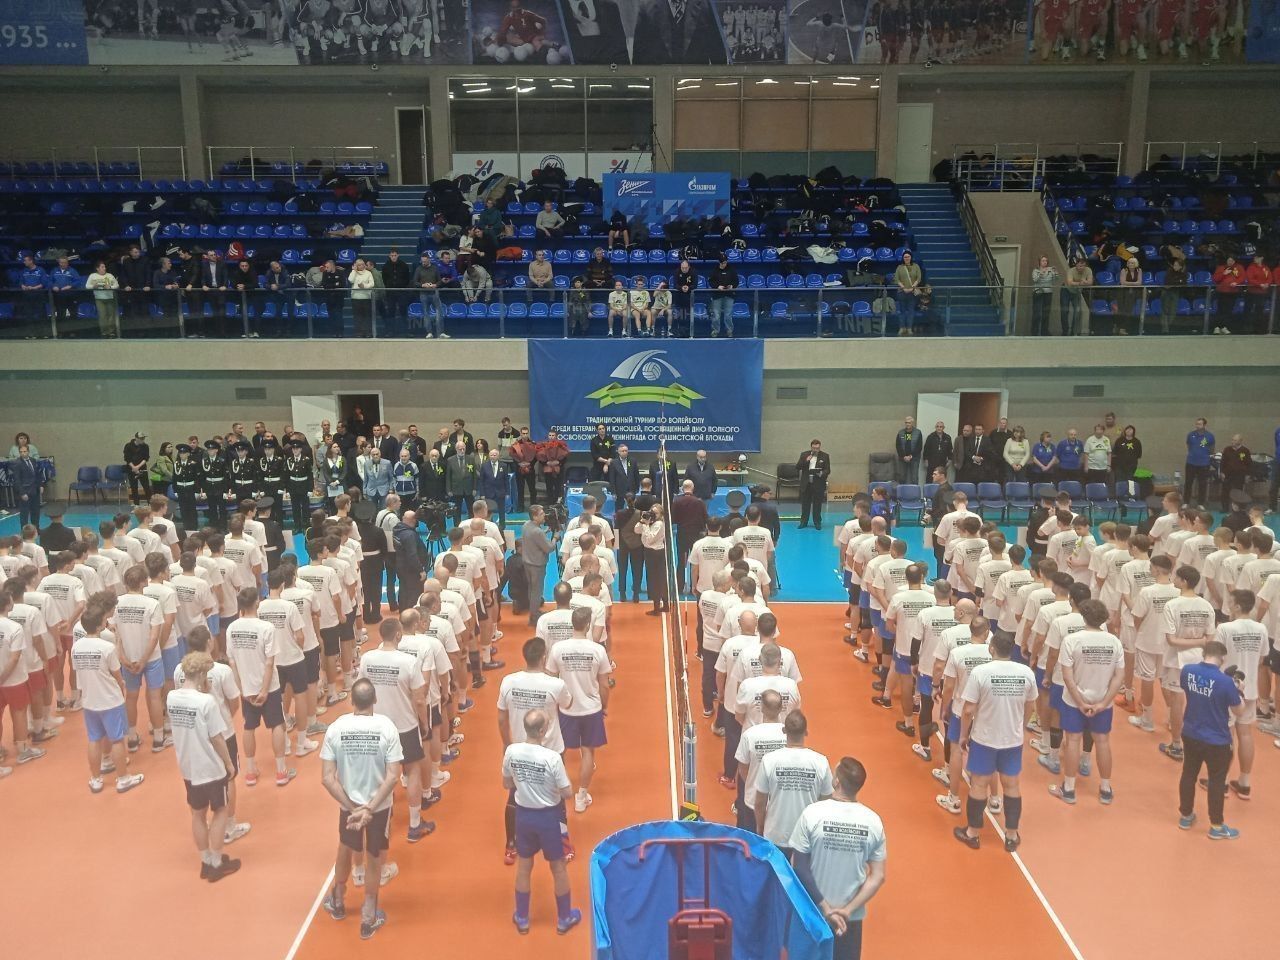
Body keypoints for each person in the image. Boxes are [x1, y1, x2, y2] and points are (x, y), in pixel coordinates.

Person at [321, 678, 404, 940]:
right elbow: (393, 776)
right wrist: (369, 808)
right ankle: (369, 916)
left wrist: (352, 807)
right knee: (374, 855)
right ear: (375, 700)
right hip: (379, 807)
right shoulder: (387, 728)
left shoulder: (336, 728)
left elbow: (327, 778)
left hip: (349, 806)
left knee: (345, 847)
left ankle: (338, 900)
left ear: (352, 701)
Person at [790, 757, 887, 960]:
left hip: (812, 912)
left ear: (836, 781)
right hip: (849, 920)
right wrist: (847, 910)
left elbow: (799, 866)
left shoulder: (812, 814)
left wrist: (826, 908)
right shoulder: (873, 822)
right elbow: (878, 876)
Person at [953, 632, 1037, 852]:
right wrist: (1020, 726)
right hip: (1012, 739)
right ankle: (1011, 835)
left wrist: (963, 735)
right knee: (1012, 785)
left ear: (991, 648)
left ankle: (973, 833)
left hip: (984, 738)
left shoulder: (981, 673)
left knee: (979, 784)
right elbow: (1030, 705)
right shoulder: (1026, 673)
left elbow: (968, 710)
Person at [502, 708, 582, 935]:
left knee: (524, 866)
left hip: (524, 816)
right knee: (558, 867)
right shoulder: (552, 758)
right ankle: (564, 918)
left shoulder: (512, 751)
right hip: (550, 818)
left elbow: (506, 784)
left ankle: (522, 917)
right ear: (542, 731)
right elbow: (567, 793)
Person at [168, 650, 241, 881]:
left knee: (197, 813)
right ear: (201, 675)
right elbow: (217, 738)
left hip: (188, 767)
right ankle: (217, 863)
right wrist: (228, 763)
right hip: (210, 766)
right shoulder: (206, 702)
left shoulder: (172, 697)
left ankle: (205, 860)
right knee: (220, 811)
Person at [1049, 600, 1123, 805]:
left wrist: (1080, 702)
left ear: (1084, 617)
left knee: (1073, 740)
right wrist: (1104, 702)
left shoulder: (1071, 640)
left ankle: (1069, 789)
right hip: (1102, 701)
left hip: (1074, 702)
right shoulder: (1114, 642)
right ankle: (1106, 789)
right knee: (1102, 742)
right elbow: (1119, 677)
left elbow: (1067, 676)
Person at [71, 603, 144, 794]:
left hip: (89, 701)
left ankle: (96, 779)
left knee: (94, 739)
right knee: (117, 739)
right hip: (110, 700)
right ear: (99, 626)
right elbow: (117, 674)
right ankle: (123, 778)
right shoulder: (107, 647)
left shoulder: (76, 647)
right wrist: (122, 686)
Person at [1177, 641, 1247, 839]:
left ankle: (1185, 815)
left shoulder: (1187, 671)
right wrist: (1239, 690)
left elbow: (1192, 690)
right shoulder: (1226, 682)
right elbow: (1239, 711)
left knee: (1188, 774)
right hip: (1217, 740)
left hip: (1191, 733)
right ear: (1222, 658)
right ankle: (1216, 826)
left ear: (1204, 653)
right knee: (1216, 781)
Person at [753, 710, 832, 855]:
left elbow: (759, 802)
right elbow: (826, 802)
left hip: (775, 834)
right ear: (806, 732)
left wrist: (760, 826)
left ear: (784, 730)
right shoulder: (821, 762)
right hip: (807, 837)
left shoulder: (769, 760)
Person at [521, 506, 555, 626]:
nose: (544, 515)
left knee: (532, 589)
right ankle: (534, 617)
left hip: (527, 563)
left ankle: (533, 611)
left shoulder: (526, 525)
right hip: (537, 565)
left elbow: (534, 537)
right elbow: (549, 548)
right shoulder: (537, 532)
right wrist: (555, 538)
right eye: (541, 514)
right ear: (535, 517)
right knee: (537, 591)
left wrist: (545, 532)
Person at [797, 439, 832, 530]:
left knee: (817, 504)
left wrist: (822, 473)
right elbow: (798, 467)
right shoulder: (804, 454)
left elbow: (828, 470)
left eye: (817, 448)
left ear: (820, 447)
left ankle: (817, 522)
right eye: (814, 448)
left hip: (818, 483)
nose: (815, 450)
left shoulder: (825, 456)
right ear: (811, 447)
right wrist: (806, 460)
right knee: (805, 504)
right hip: (806, 483)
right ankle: (803, 522)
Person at [85, 262, 121, 338]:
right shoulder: (92, 276)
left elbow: (117, 285)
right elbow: (87, 286)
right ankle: (104, 332)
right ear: (97, 268)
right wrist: (93, 286)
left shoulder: (110, 275)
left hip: (110, 298)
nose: (104, 268)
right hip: (99, 299)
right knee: (102, 316)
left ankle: (111, 332)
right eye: (102, 267)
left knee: (111, 315)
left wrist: (110, 287)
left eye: (104, 267)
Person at [1184, 417, 1215, 506]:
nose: (1197, 426)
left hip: (1204, 463)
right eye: (1196, 424)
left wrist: (1204, 455)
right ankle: (1186, 502)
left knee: (1202, 484)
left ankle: (1200, 503)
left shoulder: (1210, 436)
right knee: (1188, 483)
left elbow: (1212, 449)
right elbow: (1189, 446)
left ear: (1204, 425)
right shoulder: (1191, 435)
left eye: (1200, 424)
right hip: (1191, 462)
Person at [1218, 434, 1252, 513]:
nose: (1232, 441)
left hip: (1239, 475)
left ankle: (1237, 509)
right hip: (1227, 474)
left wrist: (1248, 475)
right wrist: (1222, 472)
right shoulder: (1227, 449)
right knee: (1225, 491)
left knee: (1238, 492)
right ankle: (1225, 508)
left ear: (1240, 441)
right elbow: (1223, 462)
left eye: (1235, 440)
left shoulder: (1245, 451)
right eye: (1232, 440)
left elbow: (1249, 464)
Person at [1060, 257, 1092, 336]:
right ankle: (1065, 331)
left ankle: (1073, 332)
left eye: (1083, 266)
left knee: (1077, 311)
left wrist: (1084, 282)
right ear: (1076, 265)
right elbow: (1070, 282)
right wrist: (1081, 283)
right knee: (1064, 311)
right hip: (1066, 290)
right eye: (1080, 266)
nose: (1082, 268)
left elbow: (1090, 282)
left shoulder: (1088, 270)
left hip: (1076, 292)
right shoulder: (1071, 271)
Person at [708, 255, 738, 338]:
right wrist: (717, 286)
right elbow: (710, 282)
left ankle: (729, 331)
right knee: (716, 315)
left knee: (728, 315)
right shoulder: (714, 270)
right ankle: (715, 330)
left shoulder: (731, 270)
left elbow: (736, 281)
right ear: (719, 263)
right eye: (722, 263)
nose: (724, 264)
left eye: (725, 262)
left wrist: (732, 286)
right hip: (717, 295)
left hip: (729, 295)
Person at [1030, 256, 1059, 335]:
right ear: (1039, 262)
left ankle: (1044, 331)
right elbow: (1035, 280)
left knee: (1046, 313)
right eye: (1043, 260)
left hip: (1048, 293)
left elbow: (1055, 280)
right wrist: (1041, 273)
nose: (1045, 262)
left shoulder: (1050, 270)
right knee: (1037, 314)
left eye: (1046, 261)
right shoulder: (1035, 270)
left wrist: (1056, 273)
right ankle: (1034, 332)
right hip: (1038, 292)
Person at [894, 416, 923, 487]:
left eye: (909, 423)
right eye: (906, 423)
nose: (907, 424)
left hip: (914, 458)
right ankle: (901, 492)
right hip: (903, 458)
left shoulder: (918, 432)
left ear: (912, 423)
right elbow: (898, 445)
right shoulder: (901, 433)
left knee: (914, 478)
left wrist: (911, 456)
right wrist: (904, 456)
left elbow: (919, 446)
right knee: (902, 477)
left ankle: (915, 492)